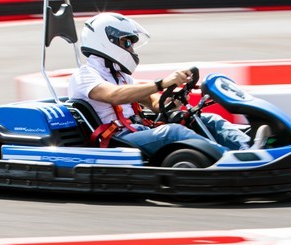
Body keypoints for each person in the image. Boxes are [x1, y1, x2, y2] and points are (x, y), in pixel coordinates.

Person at [67, 12, 260, 157]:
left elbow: (156, 104)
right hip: (118, 139)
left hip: (140, 130)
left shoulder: (121, 77)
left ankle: (250, 150)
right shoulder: (84, 76)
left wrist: (176, 96)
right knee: (172, 132)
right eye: (127, 43)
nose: (131, 49)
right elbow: (113, 95)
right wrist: (162, 83)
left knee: (206, 119)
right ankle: (227, 158)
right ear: (106, 41)